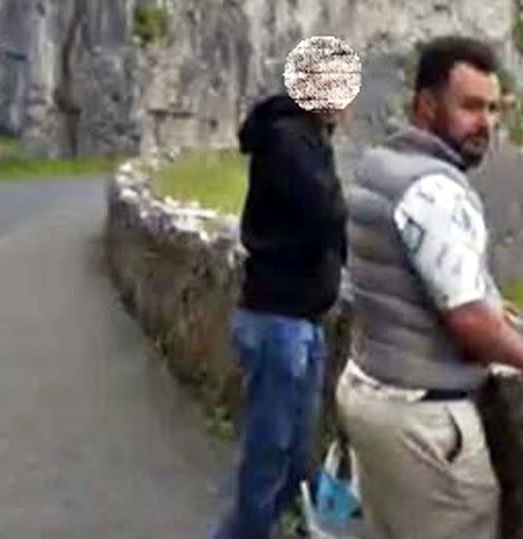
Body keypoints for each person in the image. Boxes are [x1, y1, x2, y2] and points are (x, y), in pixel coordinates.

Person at [335, 35, 523, 539]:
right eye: (470, 106)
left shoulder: (379, 167)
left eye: (493, 109)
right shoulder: (436, 190)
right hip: (424, 421)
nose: (486, 123)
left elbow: (413, 279)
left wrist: (494, 305)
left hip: (370, 393)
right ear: (426, 106)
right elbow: (468, 319)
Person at [211, 72, 353, 539]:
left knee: (296, 457)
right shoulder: (290, 140)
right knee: (268, 458)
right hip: (279, 320)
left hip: (298, 319)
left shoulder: (306, 135)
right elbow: (326, 212)